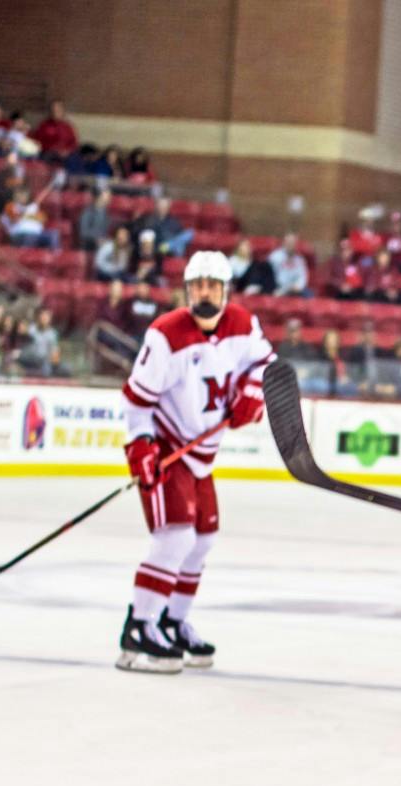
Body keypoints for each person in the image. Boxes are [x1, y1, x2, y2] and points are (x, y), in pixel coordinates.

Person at [116, 251, 273, 673]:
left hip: (203, 453)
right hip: (170, 446)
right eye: (197, 286)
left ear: (225, 290)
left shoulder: (243, 325)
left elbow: (264, 364)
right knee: (176, 537)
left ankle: (173, 619)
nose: (204, 293)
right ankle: (140, 626)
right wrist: (140, 448)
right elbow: (136, 401)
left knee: (203, 540)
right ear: (187, 290)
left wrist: (252, 394)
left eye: (212, 286)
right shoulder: (166, 336)